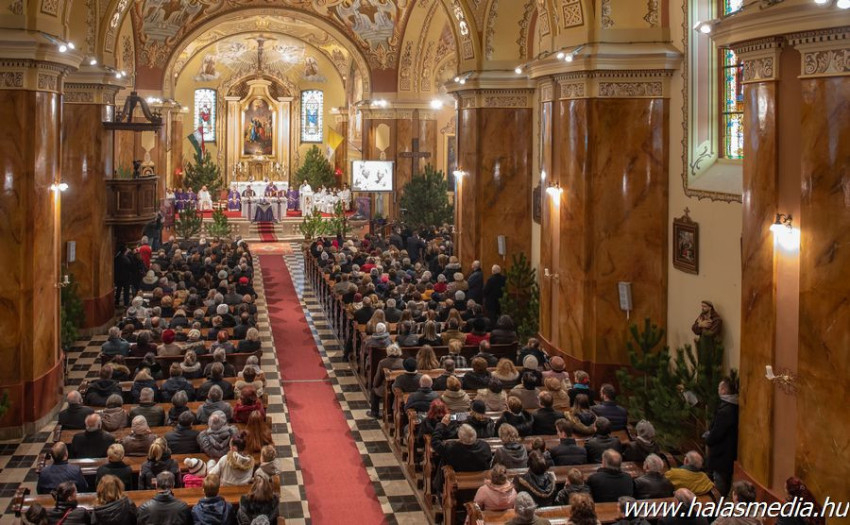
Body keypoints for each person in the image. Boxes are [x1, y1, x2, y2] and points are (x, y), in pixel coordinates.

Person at [704, 377, 739, 497]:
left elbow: (717, 433)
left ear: (724, 390)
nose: (718, 390)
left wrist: (708, 438)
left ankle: (717, 505)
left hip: (721, 455)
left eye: (719, 388)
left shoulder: (726, 411)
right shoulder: (733, 406)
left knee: (720, 486)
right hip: (727, 454)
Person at [369, 343, 404, 418]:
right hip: (399, 389)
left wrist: (375, 385)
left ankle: (374, 413)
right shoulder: (403, 362)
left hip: (386, 388)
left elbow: (378, 378)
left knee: (373, 391)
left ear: (388, 352)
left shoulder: (383, 362)